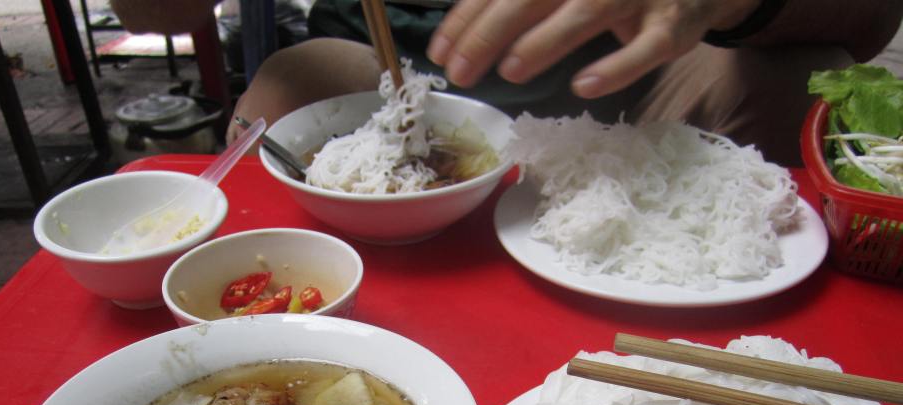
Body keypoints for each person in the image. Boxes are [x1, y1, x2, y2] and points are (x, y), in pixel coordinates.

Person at [112, 0, 903, 166]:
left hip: (649, 80)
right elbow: (152, 10)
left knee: (796, 82)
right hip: (390, 79)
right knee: (289, 87)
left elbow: (871, 23)